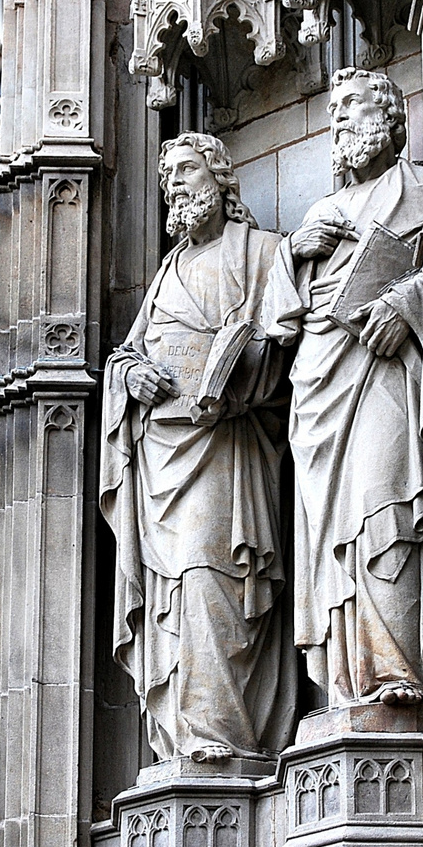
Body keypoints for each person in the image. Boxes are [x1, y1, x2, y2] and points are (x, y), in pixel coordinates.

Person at [100, 132, 294, 763]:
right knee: (176, 594)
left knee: (213, 578)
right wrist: (129, 376)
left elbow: (290, 341)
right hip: (162, 454)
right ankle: (184, 738)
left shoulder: (263, 252)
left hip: (226, 446)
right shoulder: (164, 273)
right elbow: (131, 350)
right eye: (167, 177)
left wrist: (241, 370)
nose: (175, 186)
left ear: (220, 178)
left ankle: (224, 738)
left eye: (186, 171)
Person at [264, 67, 423, 708]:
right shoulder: (322, 214)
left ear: (392, 121)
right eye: (334, 110)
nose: (340, 120)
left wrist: (408, 303)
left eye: (355, 107)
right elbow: (278, 320)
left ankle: (394, 671)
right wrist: (293, 254)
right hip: (319, 385)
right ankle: (345, 683)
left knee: (384, 504)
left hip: (384, 372)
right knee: (330, 535)